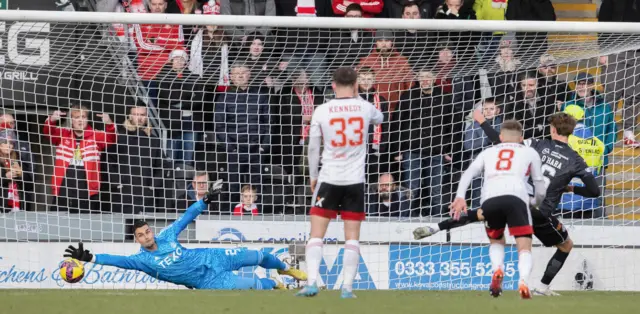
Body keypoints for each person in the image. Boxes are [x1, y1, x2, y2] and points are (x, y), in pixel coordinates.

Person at [414, 112, 601, 296]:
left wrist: (483, 122)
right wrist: (571, 189)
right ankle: (541, 287)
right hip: (539, 211)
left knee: (479, 214)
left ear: (552, 129)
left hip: (517, 199)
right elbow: (594, 191)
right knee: (565, 245)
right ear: (571, 132)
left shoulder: (536, 144)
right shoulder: (576, 159)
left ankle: (436, 227)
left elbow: (501, 142)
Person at [62, 179, 307, 290]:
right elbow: (116, 261)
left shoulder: (167, 235)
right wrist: (90, 257)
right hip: (208, 282)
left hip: (212, 258)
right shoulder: (140, 260)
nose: (147, 236)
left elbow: (186, 216)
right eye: (142, 235)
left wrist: (205, 200)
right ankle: (275, 284)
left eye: (147, 231)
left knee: (259, 255)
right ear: (136, 239)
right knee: (255, 285)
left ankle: (284, 268)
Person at [296, 67, 383, 298]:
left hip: (329, 179)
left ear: (333, 85)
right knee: (352, 237)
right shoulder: (365, 107)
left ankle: (312, 283)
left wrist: (313, 175)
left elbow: (314, 147)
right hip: (355, 181)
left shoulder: (322, 110)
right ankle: (347, 288)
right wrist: (358, 97)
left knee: (316, 234)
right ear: (355, 84)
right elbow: (380, 118)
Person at [446, 120, 547, 299]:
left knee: (497, 241)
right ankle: (523, 281)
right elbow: (540, 185)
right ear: (521, 138)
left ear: (500, 137)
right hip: (517, 198)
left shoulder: (488, 151)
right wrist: (535, 202)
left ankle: (497, 269)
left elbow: (468, 173)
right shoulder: (530, 152)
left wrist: (460, 196)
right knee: (524, 247)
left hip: (490, 200)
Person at [43, 106, 117, 213]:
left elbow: (111, 138)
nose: (80, 120)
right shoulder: (63, 134)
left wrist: (109, 123)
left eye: (83, 117)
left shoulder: (96, 135)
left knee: (86, 220)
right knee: (59, 218)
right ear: (71, 120)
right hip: (64, 186)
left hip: (87, 188)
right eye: (77, 117)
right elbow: (48, 132)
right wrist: (52, 120)